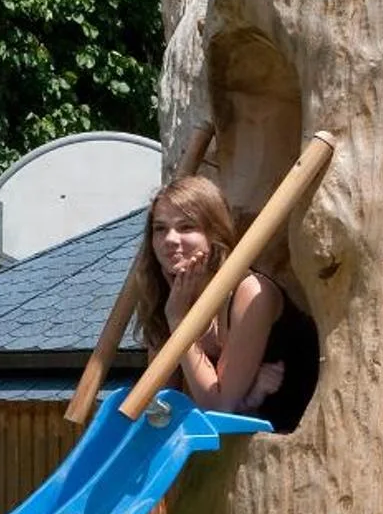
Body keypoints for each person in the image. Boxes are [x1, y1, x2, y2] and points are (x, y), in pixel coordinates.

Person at [131, 175, 318, 432]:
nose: (170, 239)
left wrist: (179, 322)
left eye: (186, 227)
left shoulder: (251, 293)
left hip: (287, 447)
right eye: (160, 228)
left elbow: (220, 410)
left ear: (214, 234)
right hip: (223, 453)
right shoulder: (170, 294)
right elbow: (163, 402)